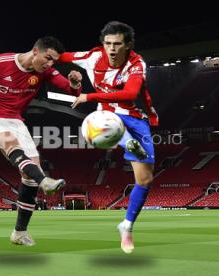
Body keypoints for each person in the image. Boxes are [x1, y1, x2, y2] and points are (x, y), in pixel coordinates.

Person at [0, 36, 82, 246]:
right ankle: (44, 181)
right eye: (48, 58)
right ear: (35, 51)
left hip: (15, 120)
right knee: (8, 140)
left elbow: (69, 89)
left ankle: (19, 233)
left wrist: (75, 83)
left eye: (53, 62)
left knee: (29, 175)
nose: (49, 64)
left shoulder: (45, 71)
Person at [60, 21, 159, 254]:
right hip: (105, 116)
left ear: (128, 45)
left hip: (135, 117)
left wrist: (87, 95)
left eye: (117, 44)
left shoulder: (136, 63)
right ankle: (125, 141)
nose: (112, 49)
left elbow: (131, 93)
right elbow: (56, 56)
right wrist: (69, 79)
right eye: (108, 44)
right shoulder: (92, 57)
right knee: (105, 124)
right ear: (102, 44)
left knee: (145, 180)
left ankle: (126, 226)